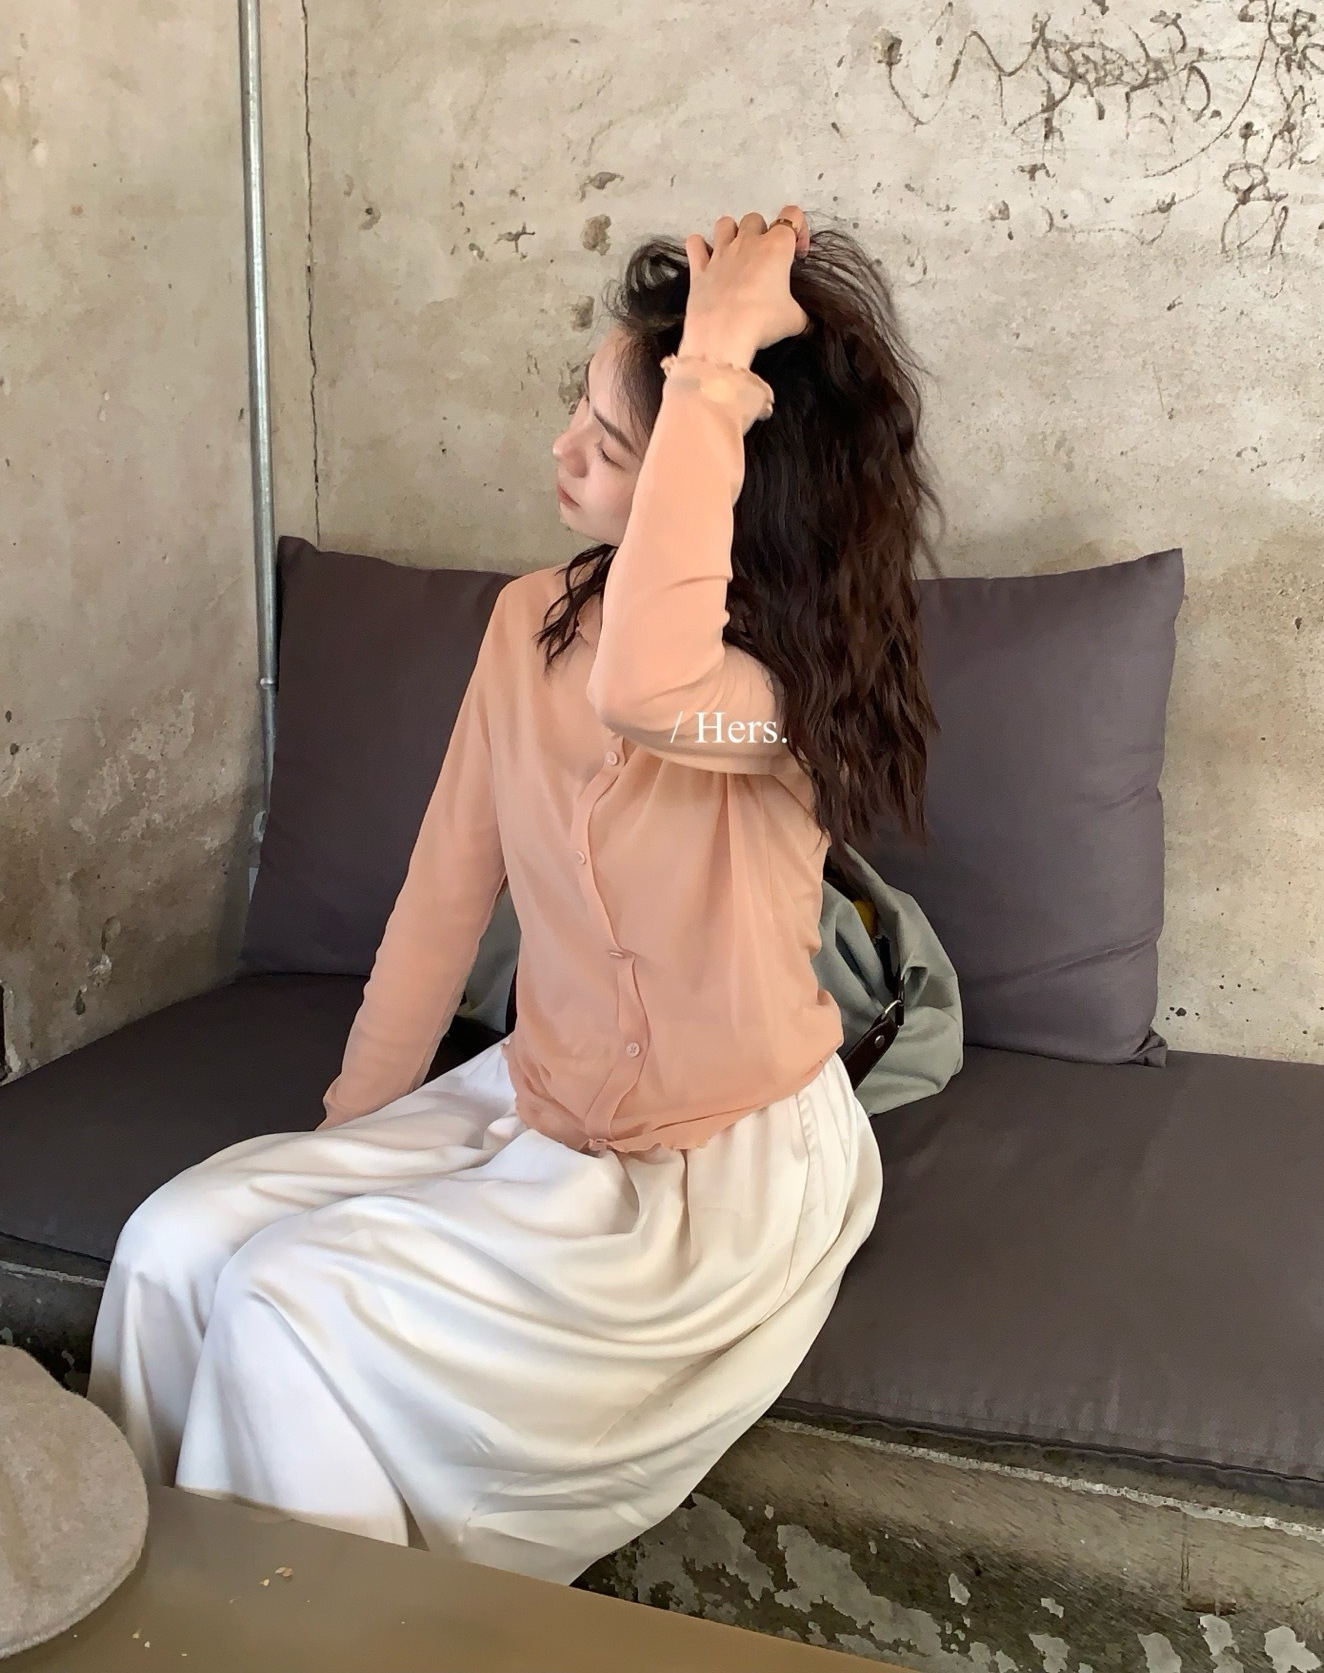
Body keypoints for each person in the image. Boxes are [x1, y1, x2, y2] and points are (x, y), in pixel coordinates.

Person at [86, 206, 942, 1585]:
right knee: (177, 1245)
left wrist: (717, 356)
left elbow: (649, 682)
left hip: (711, 1177)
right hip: (532, 1104)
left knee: (288, 1305)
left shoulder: (783, 694)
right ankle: (153, 1610)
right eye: (579, 417)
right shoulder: (529, 621)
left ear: (719, 469)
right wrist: (351, 1134)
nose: (561, 453)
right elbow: (445, 887)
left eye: (612, 445)